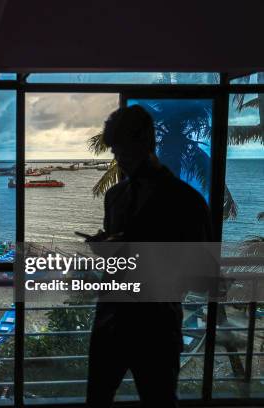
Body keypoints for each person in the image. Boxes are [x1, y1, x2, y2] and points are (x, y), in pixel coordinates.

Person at [85, 105, 212, 407]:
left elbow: (202, 275)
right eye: (116, 154)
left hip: (156, 328)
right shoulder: (114, 197)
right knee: (96, 400)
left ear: (146, 143)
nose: (119, 162)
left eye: (124, 153)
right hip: (110, 322)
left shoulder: (186, 202)